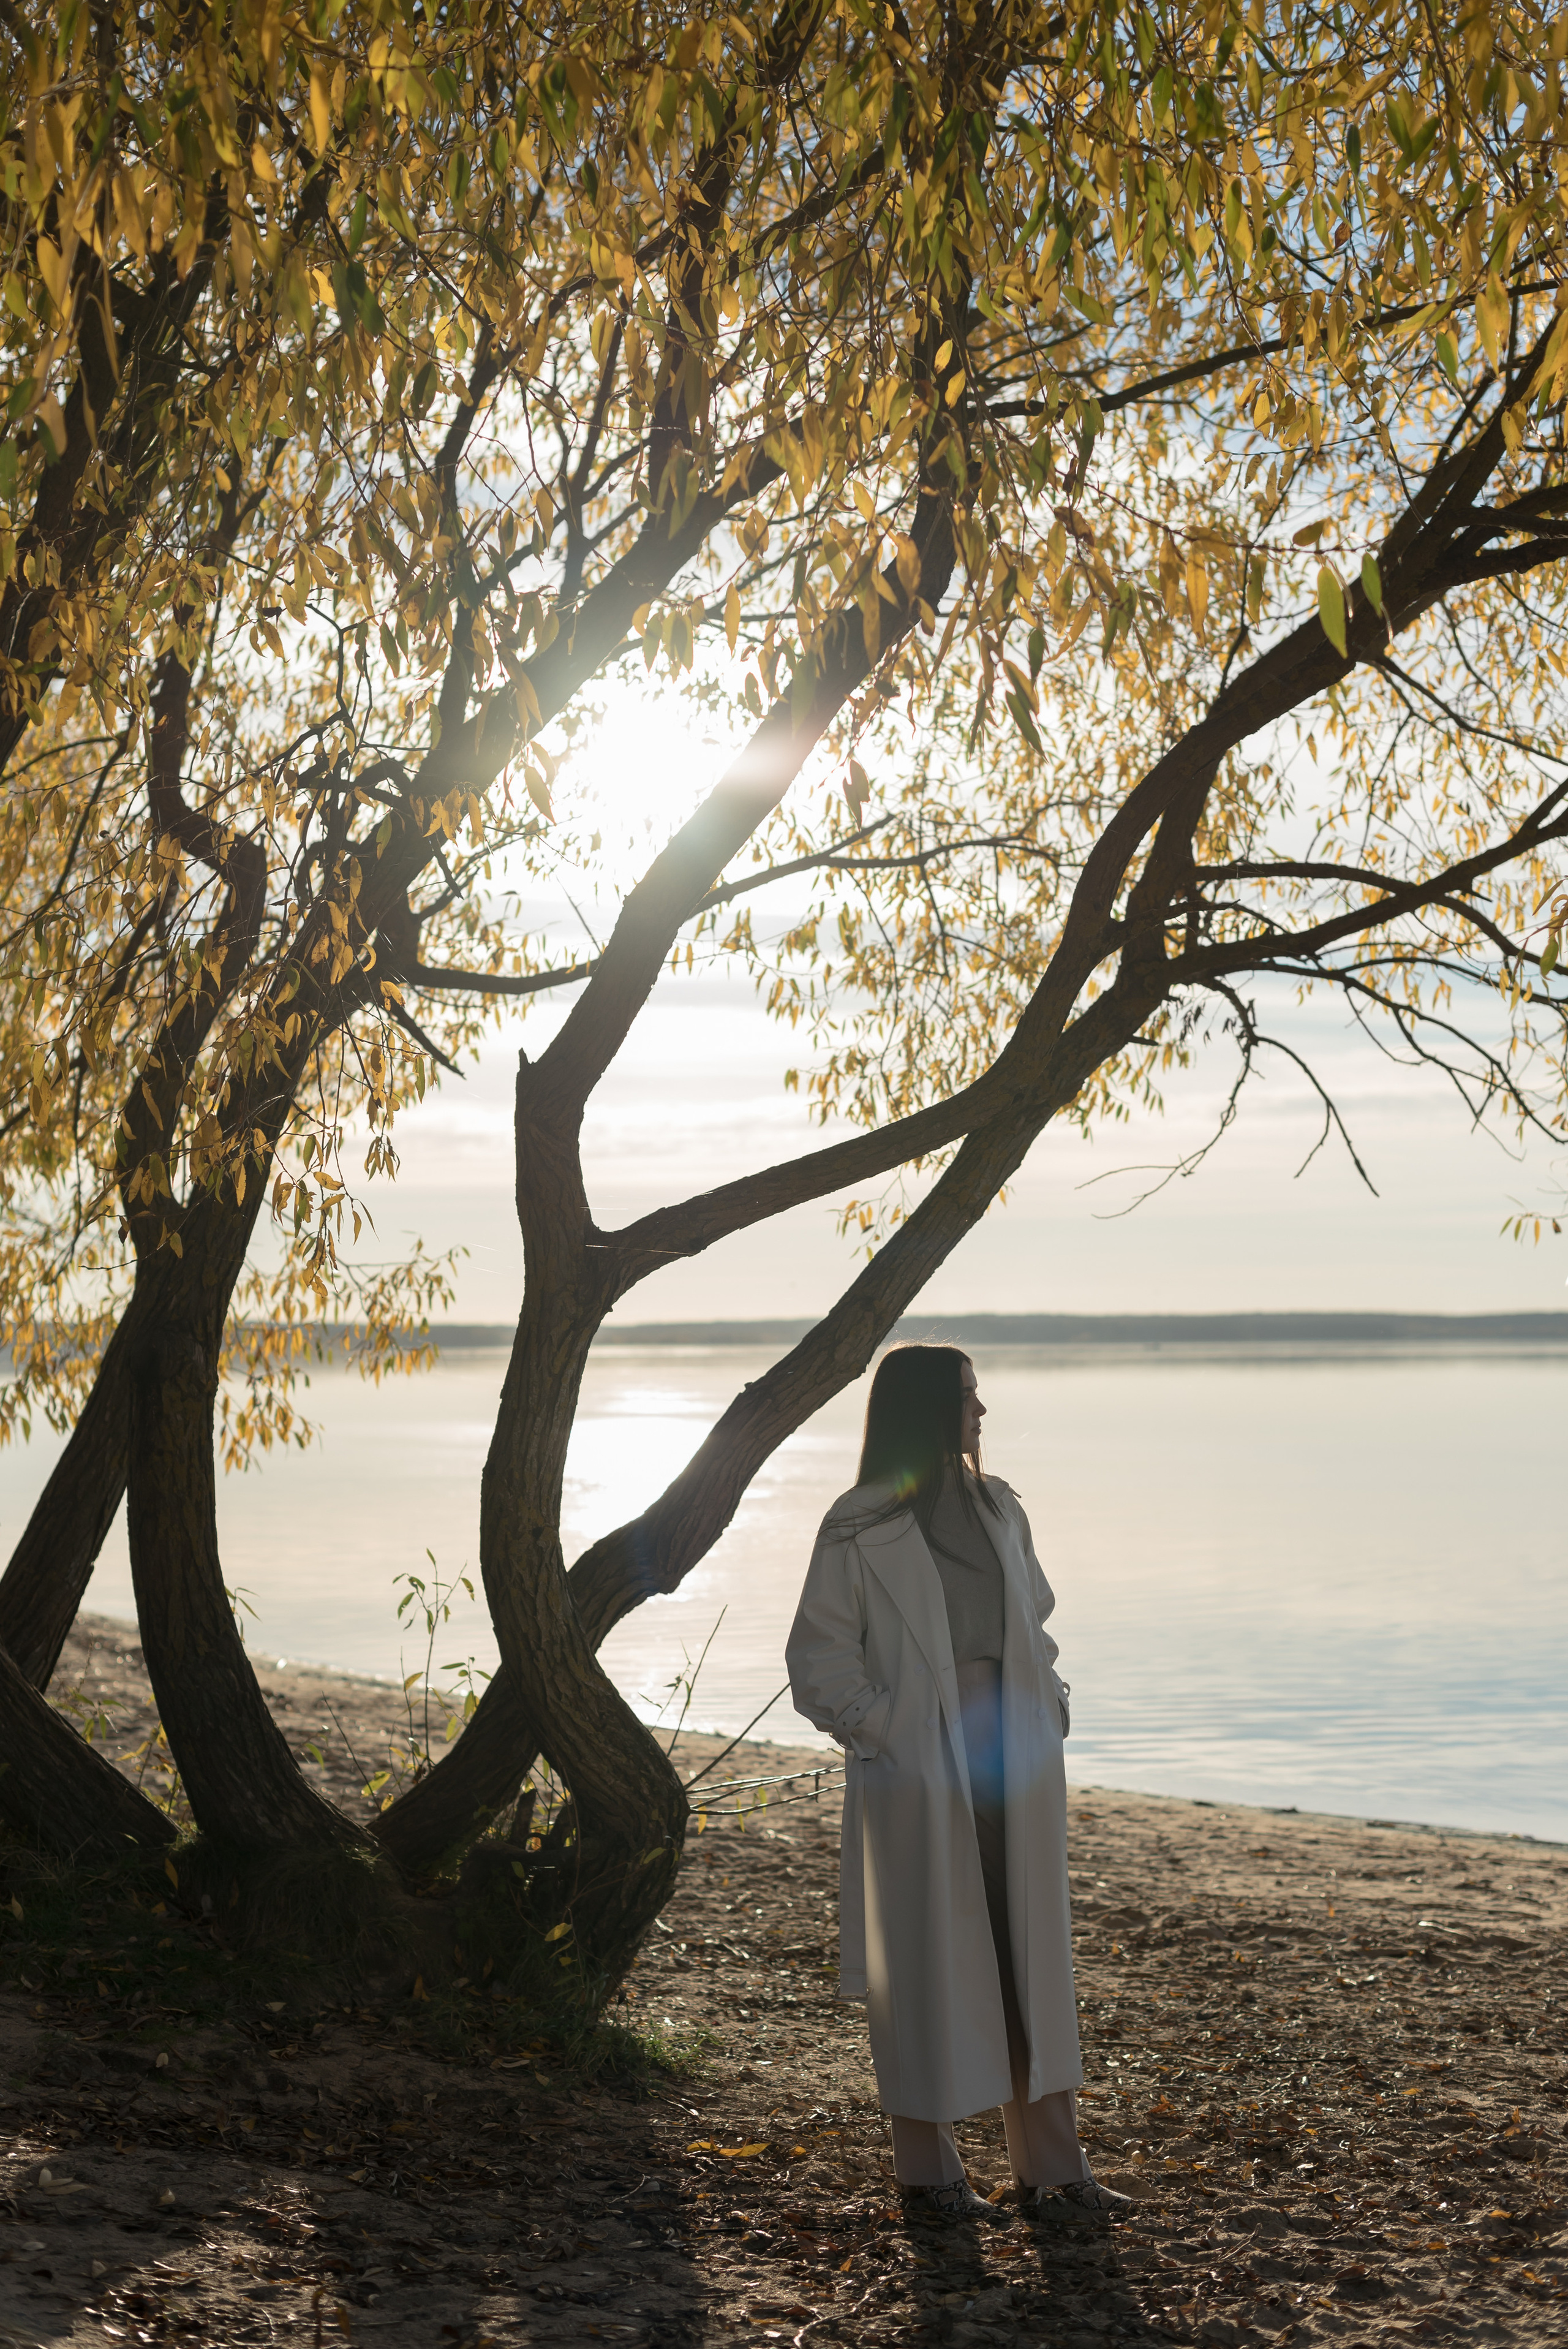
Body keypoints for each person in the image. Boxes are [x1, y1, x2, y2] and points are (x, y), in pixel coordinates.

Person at [785, 1343, 1130, 2222]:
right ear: (931, 1408)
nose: (984, 1411)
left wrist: (1049, 1700)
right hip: (918, 1762)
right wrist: (887, 1729)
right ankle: (929, 2176)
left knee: (1027, 1954)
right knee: (924, 1962)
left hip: (1012, 1750)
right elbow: (818, 1658)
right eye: (971, 1396)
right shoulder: (858, 1523)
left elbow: (1036, 1623)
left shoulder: (999, 1506)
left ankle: (1054, 2169)